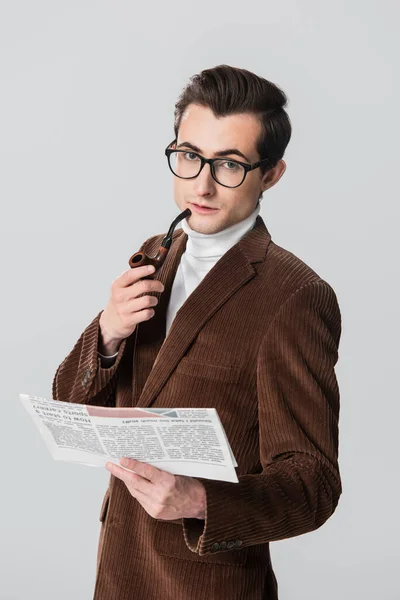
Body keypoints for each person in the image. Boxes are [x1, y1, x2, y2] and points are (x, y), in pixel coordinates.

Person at [52, 64, 342, 600]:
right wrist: (109, 330)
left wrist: (201, 501)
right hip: (117, 572)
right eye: (188, 156)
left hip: (208, 584)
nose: (200, 184)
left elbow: (314, 485)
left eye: (229, 164)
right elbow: (69, 402)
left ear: (272, 174)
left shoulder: (295, 296)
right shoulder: (155, 253)